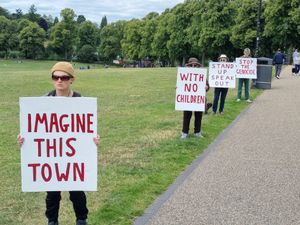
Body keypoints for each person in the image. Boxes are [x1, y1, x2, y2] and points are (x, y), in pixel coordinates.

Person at [17, 62, 100, 225]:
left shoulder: (80, 101)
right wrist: (24, 139)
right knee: (52, 192)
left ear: (72, 80)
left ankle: (81, 219)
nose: (59, 81)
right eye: (56, 77)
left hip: (72, 155)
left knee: (77, 191)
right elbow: (35, 129)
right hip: (52, 156)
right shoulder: (43, 102)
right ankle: (52, 220)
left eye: (64, 77)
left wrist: (93, 140)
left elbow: (85, 128)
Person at [181, 57, 210, 139]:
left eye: (195, 65)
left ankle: (197, 132)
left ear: (198, 66)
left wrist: (206, 87)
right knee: (186, 116)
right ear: (188, 66)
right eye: (191, 65)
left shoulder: (201, 74)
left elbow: (208, 86)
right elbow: (181, 85)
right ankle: (184, 132)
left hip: (198, 99)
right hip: (188, 100)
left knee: (198, 116)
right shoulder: (184, 74)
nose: (193, 67)